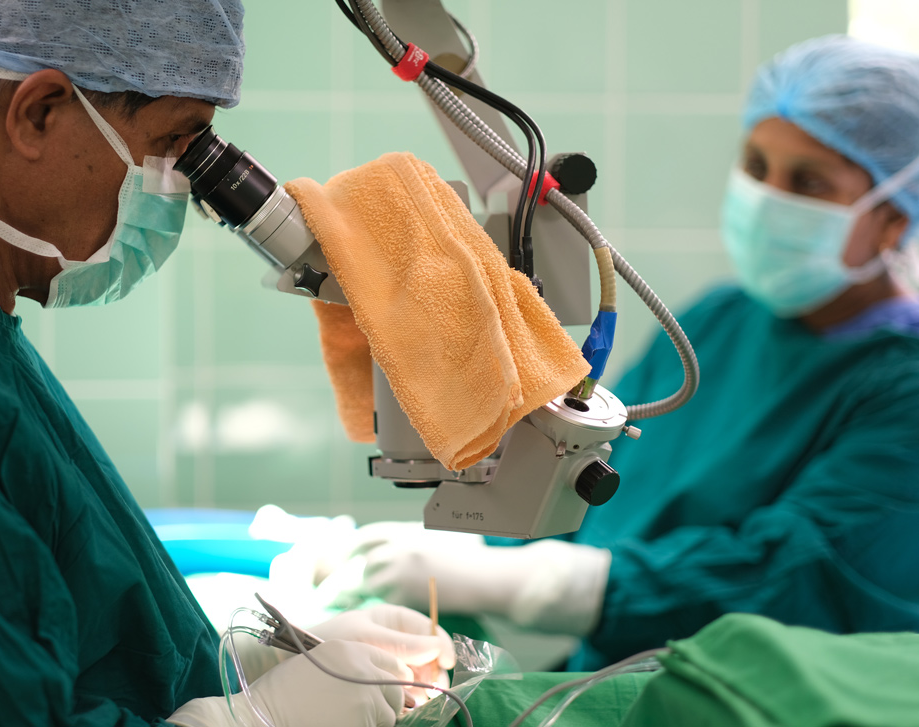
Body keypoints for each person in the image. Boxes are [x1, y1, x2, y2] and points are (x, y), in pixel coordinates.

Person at [0, 2, 454, 726]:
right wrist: (253, 721)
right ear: (39, 112)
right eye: (171, 143)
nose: (176, 189)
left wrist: (246, 665)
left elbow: (57, 622)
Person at [326, 35, 919, 671]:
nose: (768, 196)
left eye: (807, 182)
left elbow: (801, 575)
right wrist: (453, 552)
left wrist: (537, 586)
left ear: (892, 216)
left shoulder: (900, 391)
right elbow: (579, 472)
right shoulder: (719, 322)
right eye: (755, 165)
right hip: (612, 679)